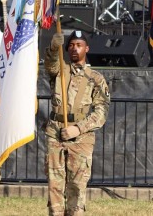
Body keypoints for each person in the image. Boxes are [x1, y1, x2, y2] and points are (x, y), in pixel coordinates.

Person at [44, 30, 110, 215]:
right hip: (55, 133)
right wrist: (53, 47)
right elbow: (50, 63)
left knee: (77, 186)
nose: (75, 48)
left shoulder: (95, 78)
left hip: (81, 138)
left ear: (86, 48)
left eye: (79, 45)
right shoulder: (60, 72)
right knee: (55, 187)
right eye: (71, 45)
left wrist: (78, 129)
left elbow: (101, 111)